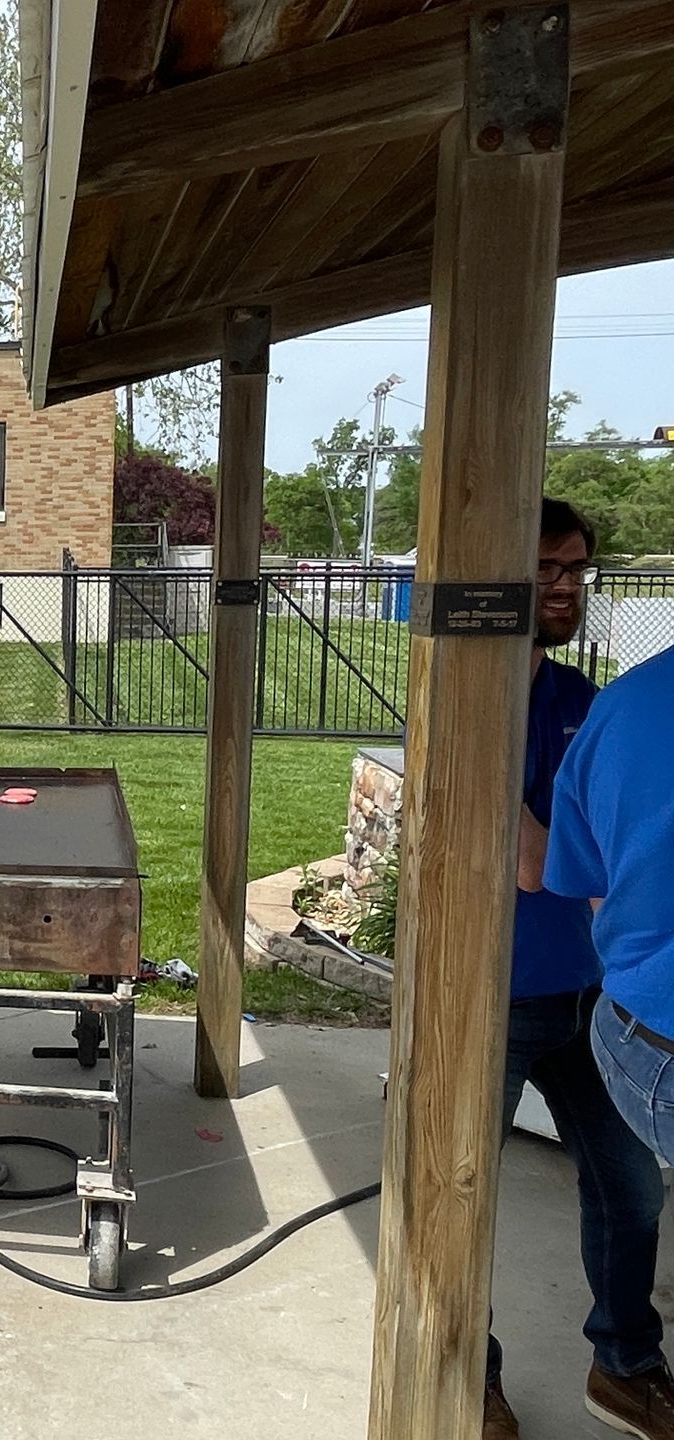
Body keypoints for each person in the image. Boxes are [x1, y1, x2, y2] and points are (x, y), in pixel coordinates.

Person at [475, 500, 669, 1439]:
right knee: (461, 1193)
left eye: (577, 568)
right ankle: (467, 1373)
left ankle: (626, 1365)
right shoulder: (465, 701)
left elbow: (580, 857)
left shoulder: (586, 704)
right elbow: (527, 861)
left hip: (594, 998)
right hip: (485, 998)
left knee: (630, 1191)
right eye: (545, 566)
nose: (564, 584)